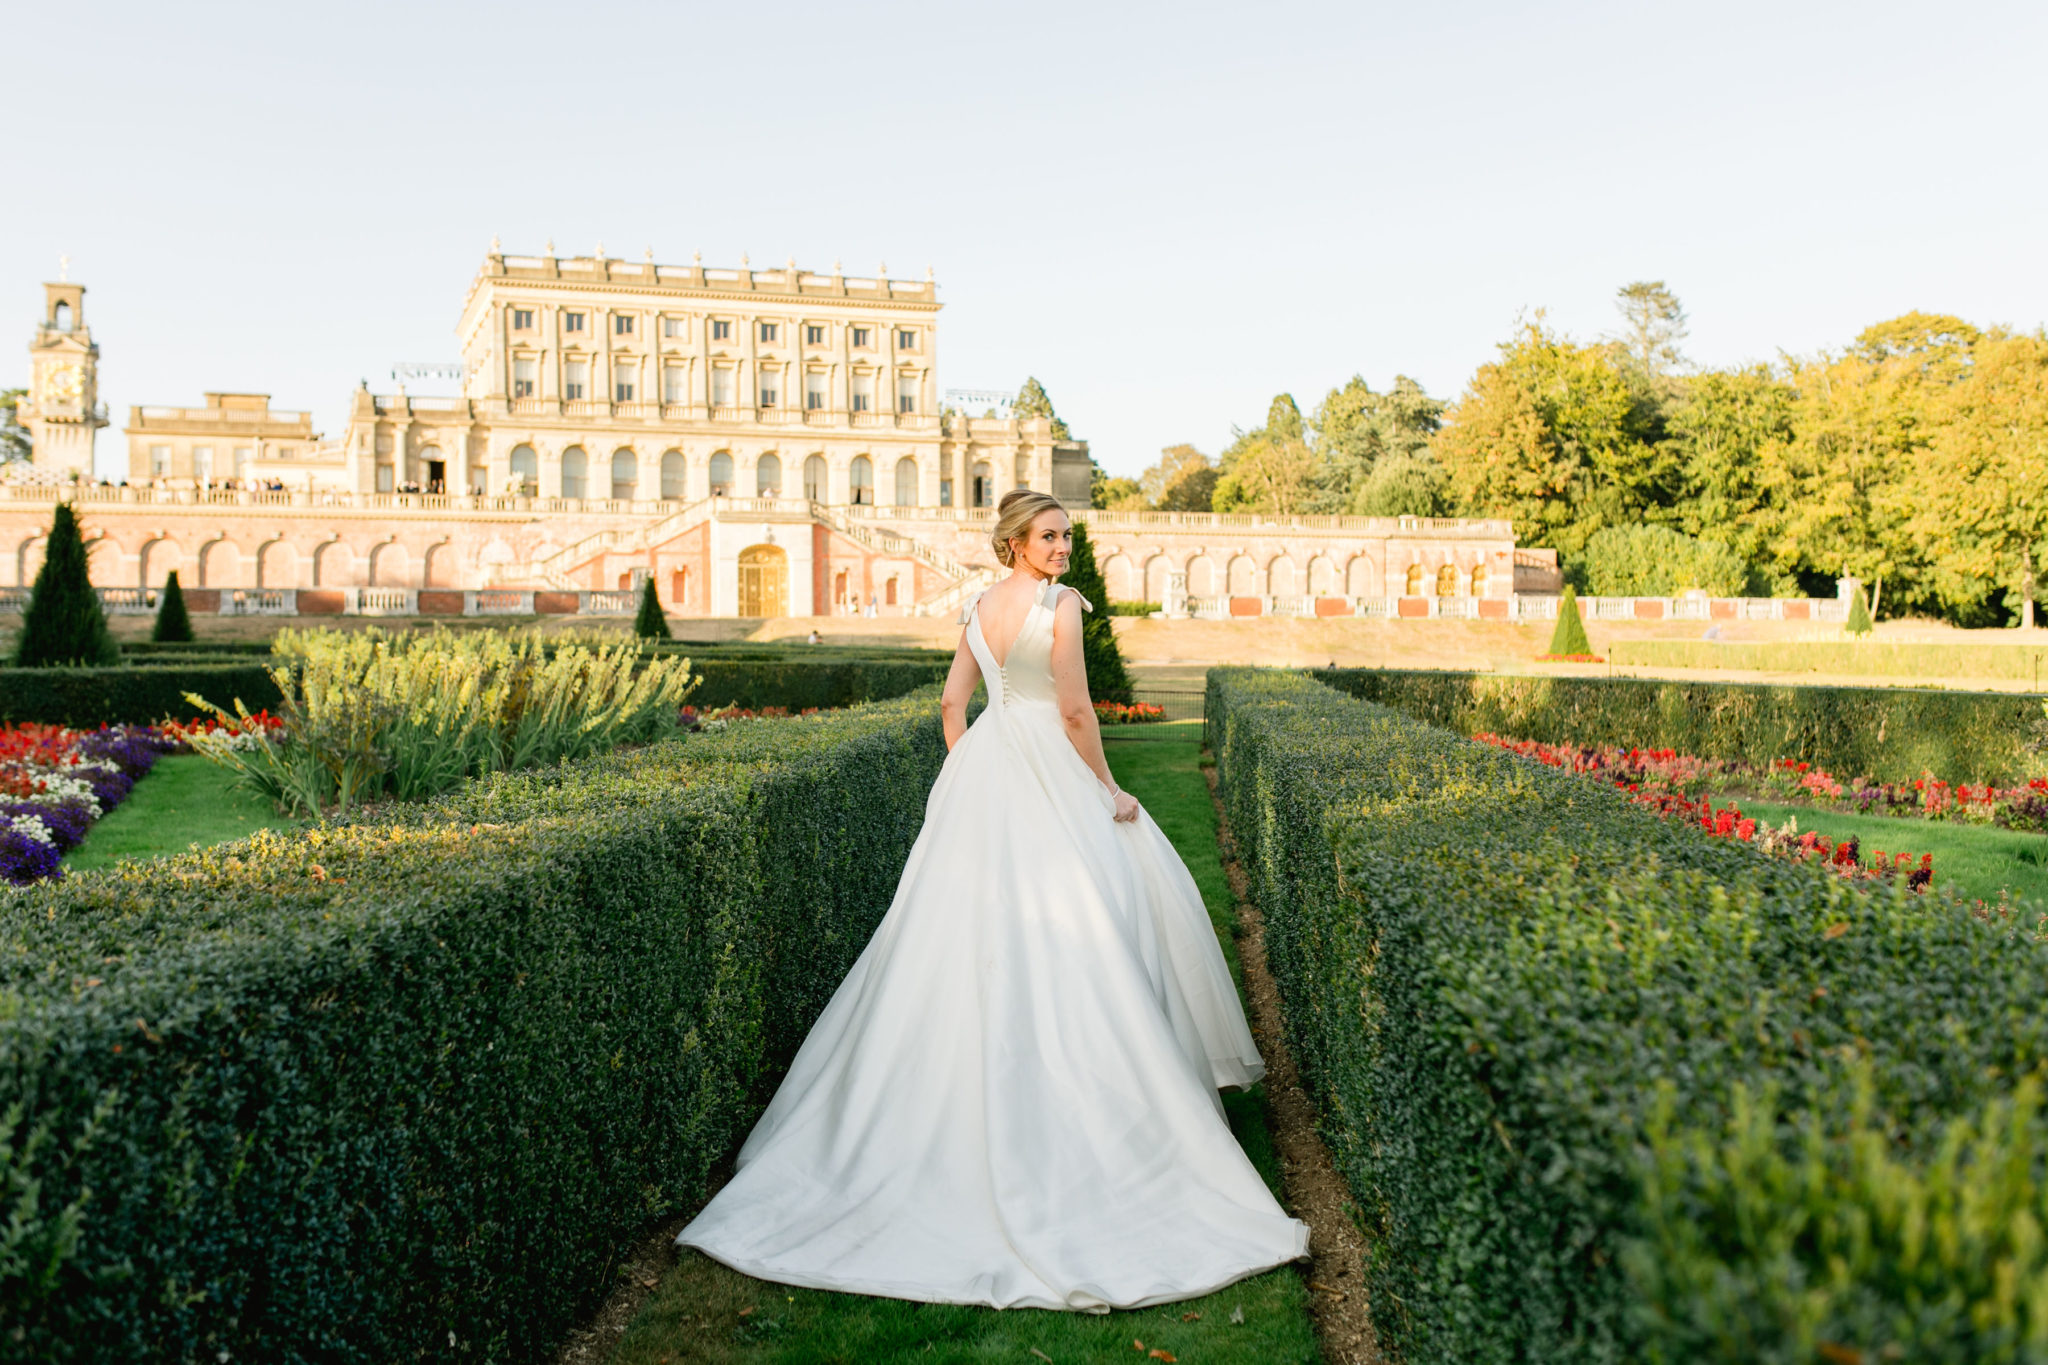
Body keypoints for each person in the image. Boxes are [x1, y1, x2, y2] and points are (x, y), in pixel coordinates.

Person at [677, 488, 1307, 1311]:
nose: (1062, 546)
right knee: (1092, 924)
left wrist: (969, 766)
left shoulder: (977, 607)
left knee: (955, 936)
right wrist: (1112, 789)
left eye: (1067, 535)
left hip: (990, 764)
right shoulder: (1062, 608)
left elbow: (951, 706)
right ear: (1015, 541)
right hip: (1050, 763)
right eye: (1049, 535)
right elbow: (1078, 711)